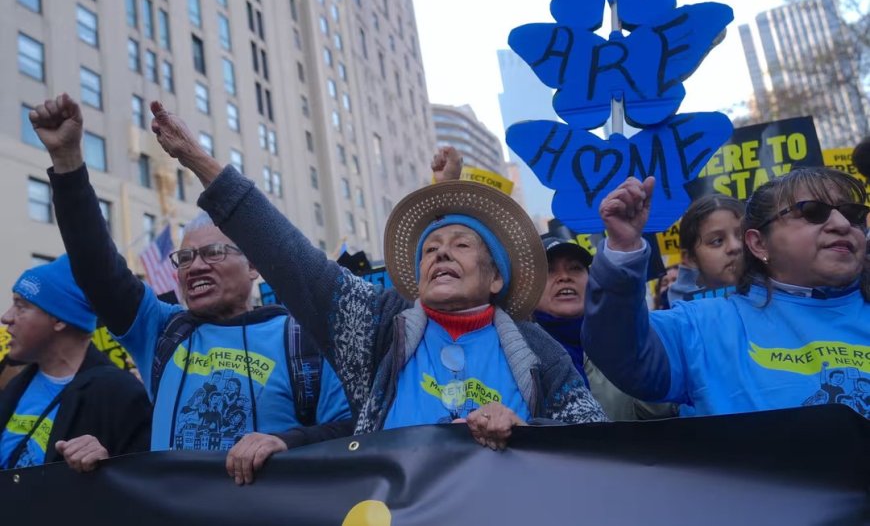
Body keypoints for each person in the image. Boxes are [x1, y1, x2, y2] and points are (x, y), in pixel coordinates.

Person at [146, 100, 606, 451]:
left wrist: (526, 430)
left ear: (495, 280)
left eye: (461, 246)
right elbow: (291, 258)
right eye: (429, 250)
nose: (440, 256)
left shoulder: (537, 349)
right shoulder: (378, 329)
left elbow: (597, 443)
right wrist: (203, 164)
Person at [31, 94, 352, 485]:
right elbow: (97, 267)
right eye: (185, 259)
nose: (195, 266)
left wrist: (286, 442)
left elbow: (351, 432)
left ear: (254, 265)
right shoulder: (162, 330)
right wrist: (67, 163)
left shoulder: (304, 338)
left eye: (213, 253)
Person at [582, 168, 870, 417]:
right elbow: (619, 349)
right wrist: (623, 252)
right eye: (812, 212)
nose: (842, 224)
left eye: (853, 214)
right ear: (758, 244)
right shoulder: (703, 326)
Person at [0, 256, 151, 472]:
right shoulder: (15, 384)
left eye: (20, 306)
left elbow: (144, 483)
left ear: (59, 320)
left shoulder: (121, 394)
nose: (6, 318)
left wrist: (109, 465)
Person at [533, 238, 675, 420]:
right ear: (529, 288)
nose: (564, 277)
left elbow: (662, 410)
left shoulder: (617, 343)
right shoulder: (517, 353)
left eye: (575, 268)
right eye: (549, 270)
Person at [667, 195, 744, 304]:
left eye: (741, 235)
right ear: (691, 258)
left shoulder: (775, 291)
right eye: (717, 241)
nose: (735, 246)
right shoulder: (683, 312)